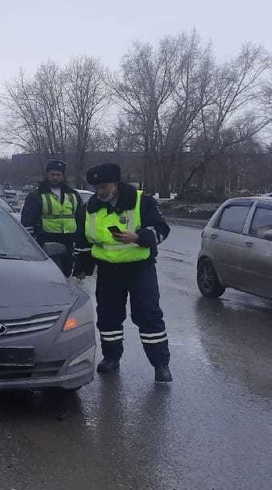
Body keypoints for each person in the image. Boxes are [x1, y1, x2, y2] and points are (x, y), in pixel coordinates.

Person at [74, 163, 172, 383]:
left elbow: (162, 230)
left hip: (140, 270)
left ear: (116, 183)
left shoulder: (142, 201)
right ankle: (111, 358)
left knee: (148, 315)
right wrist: (82, 268)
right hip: (108, 271)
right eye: (97, 187)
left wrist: (138, 237)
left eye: (104, 186)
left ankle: (161, 365)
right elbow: (83, 241)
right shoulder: (89, 208)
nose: (100, 192)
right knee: (108, 317)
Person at [20, 159, 85, 277]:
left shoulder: (73, 194)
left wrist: (79, 239)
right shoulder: (37, 195)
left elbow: (80, 217)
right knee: (51, 275)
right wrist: (35, 240)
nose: (55, 177)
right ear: (47, 174)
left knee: (66, 274)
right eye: (52, 174)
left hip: (69, 240)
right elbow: (28, 220)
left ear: (63, 176)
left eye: (58, 175)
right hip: (47, 240)